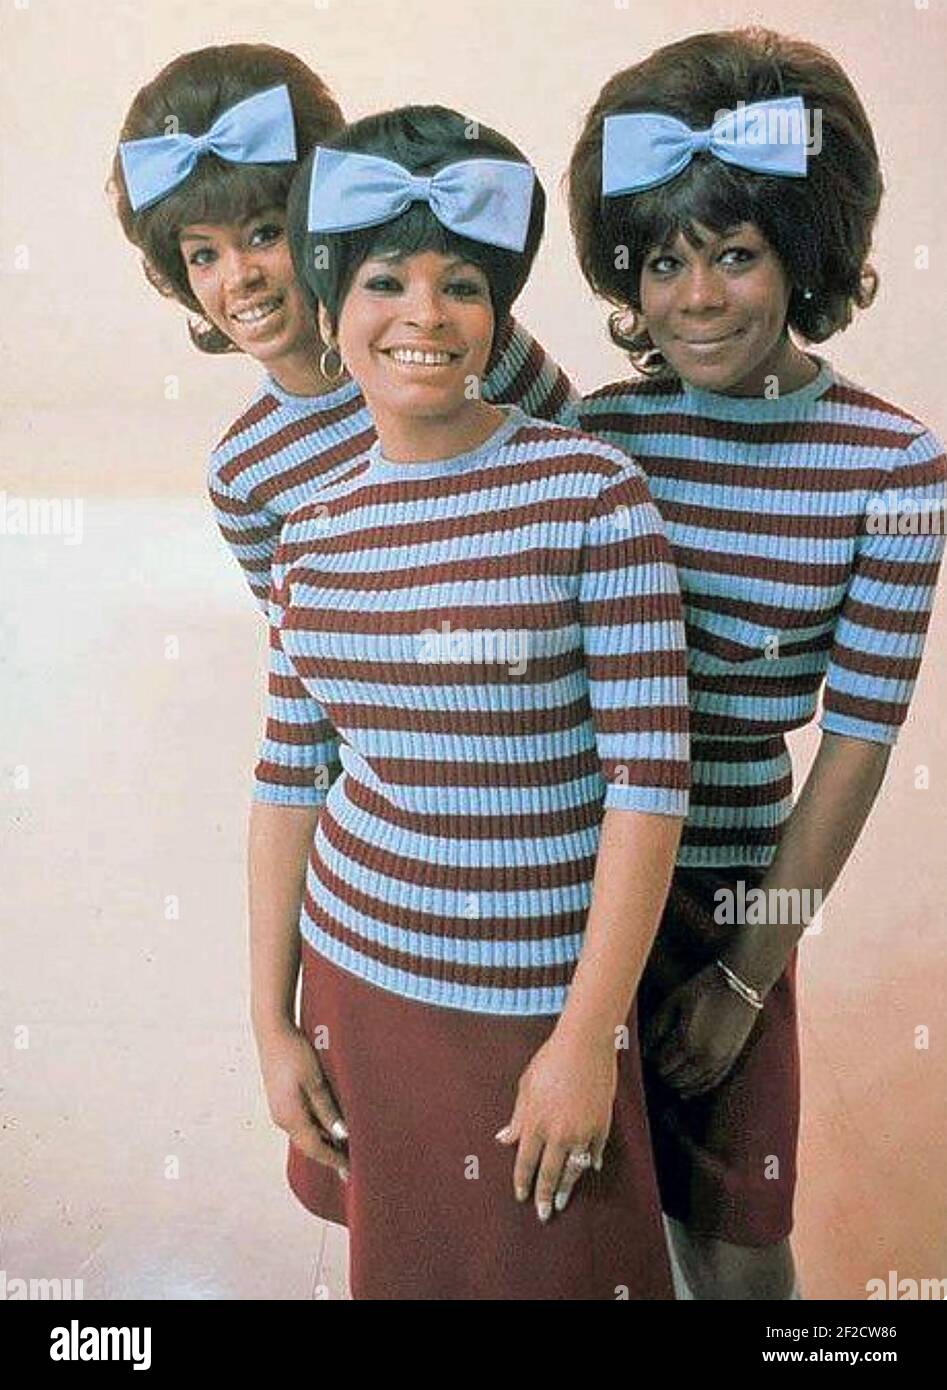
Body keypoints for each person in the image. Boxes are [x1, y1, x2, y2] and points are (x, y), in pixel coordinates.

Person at [247, 102, 691, 1298]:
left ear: (496, 313)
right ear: (336, 307)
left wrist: (585, 1039)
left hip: (537, 1001)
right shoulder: (311, 528)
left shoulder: (592, 490)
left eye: (461, 283)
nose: (424, 315)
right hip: (358, 974)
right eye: (386, 278)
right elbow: (290, 776)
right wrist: (270, 1019)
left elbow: (649, 781)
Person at [566, 26, 946, 1300]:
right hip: (563, 873)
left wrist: (742, 973)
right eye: (662, 259)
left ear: (805, 248)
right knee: (571, 1219)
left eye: (733, 253)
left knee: (735, 1245)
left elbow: (856, 742)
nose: (694, 297)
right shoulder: (592, 432)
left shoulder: (894, 471)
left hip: (735, 886)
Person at [108, 44, 577, 612]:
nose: (239, 278)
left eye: (264, 234)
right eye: (204, 255)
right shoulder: (245, 473)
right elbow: (305, 652)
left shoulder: (450, 347)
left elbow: (601, 505)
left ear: (321, 227)